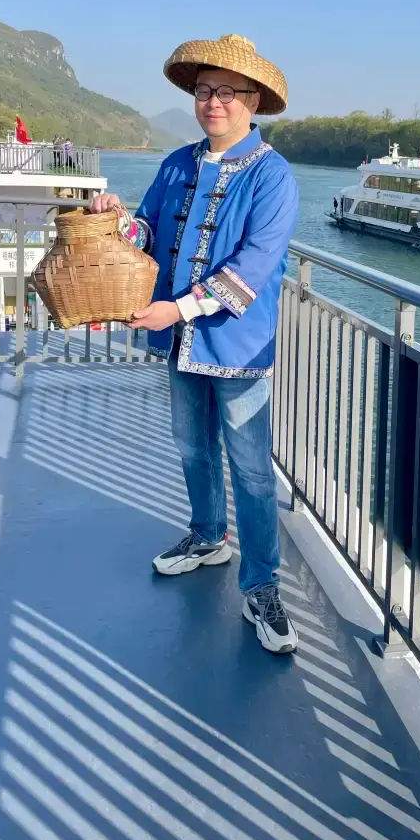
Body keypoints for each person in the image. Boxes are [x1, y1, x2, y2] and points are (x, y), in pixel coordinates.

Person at [90, 34, 299, 654]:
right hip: (180, 338)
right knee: (192, 447)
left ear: (253, 101)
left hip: (235, 344)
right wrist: (114, 219)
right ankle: (208, 536)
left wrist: (175, 307)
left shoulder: (273, 175)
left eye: (227, 92)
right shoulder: (178, 163)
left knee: (251, 469)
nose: (214, 102)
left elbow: (253, 268)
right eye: (205, 90)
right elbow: (148, 229)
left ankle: (261, 584)